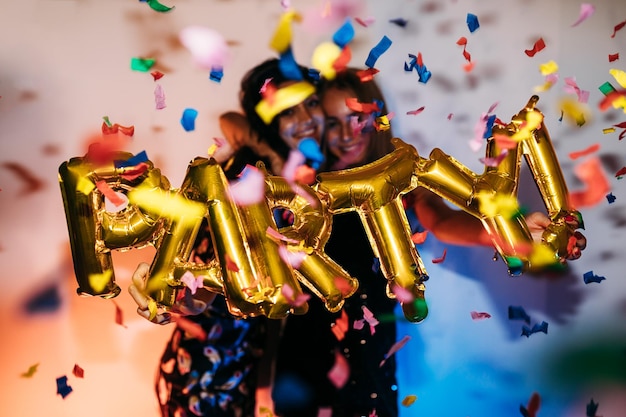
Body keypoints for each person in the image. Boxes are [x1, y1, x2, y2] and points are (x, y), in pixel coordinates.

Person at [269, 68, 587, 417]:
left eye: (357, 118)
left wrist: (509, 231)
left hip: (370, 349)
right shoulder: (308, 185)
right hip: (307, 349)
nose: (347, 133)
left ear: (377, 116)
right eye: (333, 122)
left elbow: (444, 221)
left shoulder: (400, 175)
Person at [129, 57, 327, 417]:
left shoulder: (313, 174)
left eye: (311, 103)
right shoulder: (246, 173)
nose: (304, 120)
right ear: (267, 121)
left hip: (255, 347)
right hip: (218, 336)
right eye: (286, 111)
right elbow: (208, 266)